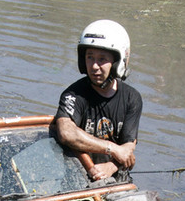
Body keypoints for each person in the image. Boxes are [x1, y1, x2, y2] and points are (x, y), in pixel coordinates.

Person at [54, 19, 143, 181]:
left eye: (102, 59)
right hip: (78, 177)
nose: (94, 66)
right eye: (90, 57)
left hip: (116, 177)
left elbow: (129, 145)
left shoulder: (132, 97)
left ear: (118, 62)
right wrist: (112, 149)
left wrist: (110, 167)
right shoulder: (73, 94)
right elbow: (66, 133)